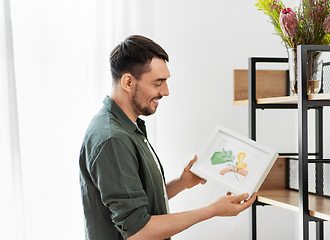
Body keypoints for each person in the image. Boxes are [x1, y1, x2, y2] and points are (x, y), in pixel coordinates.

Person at [79, 35, 257, 240]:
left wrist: (181, 182)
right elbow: (138, 231)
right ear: (128, 82)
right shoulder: (112, 139)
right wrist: (213, 210)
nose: (166, 91)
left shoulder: (126, 127)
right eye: (158, 83)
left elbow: (136, 201)